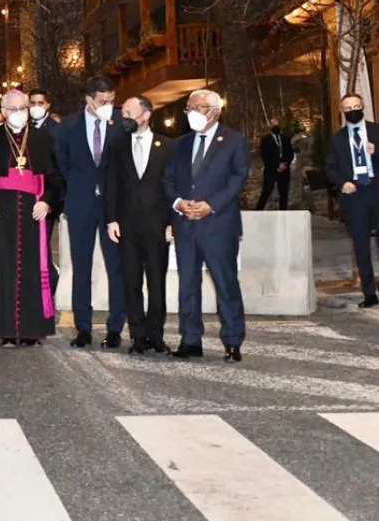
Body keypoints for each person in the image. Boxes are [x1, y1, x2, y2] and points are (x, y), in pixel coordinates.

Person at [165, 88, 249, 362]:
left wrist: (210, 205)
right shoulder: (180, 144)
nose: (192, 113)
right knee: (188, 284)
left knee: (225, 283)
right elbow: (167, 179)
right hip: (185, 225)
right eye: (189, 108)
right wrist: (178, 203)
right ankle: (190, 340)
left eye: (198, 108)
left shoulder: (234, 140)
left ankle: (232, 341)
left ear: (215, 111)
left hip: (218, 224)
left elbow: (238, 178)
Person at [0, 89, 62, 346]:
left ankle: (31, 331)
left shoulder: (42, 138)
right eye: (13, 109)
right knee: (2, 268)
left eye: (23, 109)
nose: (19, 113)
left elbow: (55, 177)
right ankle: (5, 330)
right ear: (4, 112)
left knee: (32, 270)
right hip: (0, 212)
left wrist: (47, 201)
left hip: (32, 212)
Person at [56, 75, 126, 348]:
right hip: (80, 204)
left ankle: (115, 328)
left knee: (116, 267)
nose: (108, 105)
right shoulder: (69, 125)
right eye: (103, 101)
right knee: (81, 267)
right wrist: (77, 190)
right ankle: (82, 328)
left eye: (112, 100)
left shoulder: (121, 123)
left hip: (113, 207)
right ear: (89, 100)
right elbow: (62, 164)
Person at [105, 96, 175, 354]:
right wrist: (111, 219)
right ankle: (137, 336)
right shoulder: (117, 145)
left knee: (157, 282)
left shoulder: (167, 146)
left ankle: (155, 336)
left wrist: (172, 223)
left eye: (128, 112)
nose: (123, 117)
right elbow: (111, 184)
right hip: (127, 225)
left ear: (145, 115)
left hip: (158, 225)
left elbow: (173, 186)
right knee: (131, 281)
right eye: (122, 112)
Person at [325, 93, 379, 308]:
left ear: (363, 106)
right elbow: (330, 167)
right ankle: (369, 293)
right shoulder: (337, 138)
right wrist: (342, 183)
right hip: (355, 194)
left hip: (376, 189)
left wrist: (377, 151)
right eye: (348, 108)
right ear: (342, 110)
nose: (353, 111)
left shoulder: (376, 131)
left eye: (356, 106)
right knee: (361, 246)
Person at [29, 87, 63, 295]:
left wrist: (54, 199)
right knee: (34, 244)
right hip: (29, 194)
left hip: (48, 195)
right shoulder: (25, 127)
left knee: (41, 242)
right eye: (32, 103)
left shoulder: (56, 131)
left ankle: (49, 283)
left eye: (40, 103)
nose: (35, 107)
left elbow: (59, 166)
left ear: (47, 105)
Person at [256, 118, 294, 210]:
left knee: (284, 193)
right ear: (270, 126)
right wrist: (276, 166)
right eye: (274, 124)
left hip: (284, 170)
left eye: (277, 124)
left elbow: (290, 154)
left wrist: (285, 164)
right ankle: (258, 210)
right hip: (271, 170)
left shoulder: (285, 139)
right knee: (267, 190)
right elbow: (264, 156)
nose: (276, 126)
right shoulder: (265, 140)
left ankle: (283, 213)